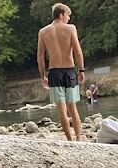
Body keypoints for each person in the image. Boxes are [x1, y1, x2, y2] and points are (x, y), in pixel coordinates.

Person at [37, 2, 86, 141]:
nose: (69, 18)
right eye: (68, 15)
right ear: (61, 14)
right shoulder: (70, 29)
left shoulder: (43, 32)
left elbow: (40, 56)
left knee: (62, 110)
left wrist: (43, 76)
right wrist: (81, 70)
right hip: (69, 71)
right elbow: (78, 51)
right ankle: (78, 138)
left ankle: (69, 140)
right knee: (73, 108)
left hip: (54, 72)